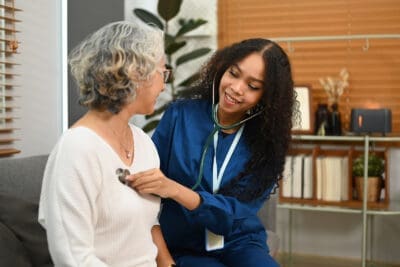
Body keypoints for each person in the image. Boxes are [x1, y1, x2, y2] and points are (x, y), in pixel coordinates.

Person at [128, 38, 295, 267]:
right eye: (234, 73)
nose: (237, 88)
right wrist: (164, 259)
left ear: (266, 97)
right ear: (222, 68)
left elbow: (235, 212)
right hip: (183, 241)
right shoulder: (180, 116)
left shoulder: (268, 143)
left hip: (239, 241)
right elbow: (148, 191)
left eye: (253, 86)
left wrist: (175, 189)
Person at [38, 21, 176, 267]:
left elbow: (147, 226)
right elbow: (72, 257)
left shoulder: (143, 143)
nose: (164, 85)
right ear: (136, 73)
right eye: (162, 72)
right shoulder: (76, 149)